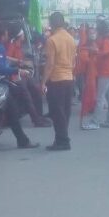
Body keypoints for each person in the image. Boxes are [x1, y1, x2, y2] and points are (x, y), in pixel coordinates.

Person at [0, 23, 40, 149]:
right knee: (13, 111)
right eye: (6, 34)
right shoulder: (0, 48)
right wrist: (18, 71)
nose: (7, 36)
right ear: (2, 36)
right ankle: (22, 141)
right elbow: (1, 68)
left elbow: (1, 60)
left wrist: (16, 62)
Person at [41, 12, 77, 151]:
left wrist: (43, 82)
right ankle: (61, 138)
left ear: (52, 23)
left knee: (57, 112)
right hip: (68, 78)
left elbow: (50, 64)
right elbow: (73, 61)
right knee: (65, 111)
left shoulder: (52, 40)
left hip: (56, 79)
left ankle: (63, 141)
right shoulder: (71, 38)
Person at [84, 19, 109, 130]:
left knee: (100, 97)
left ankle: (95, 122)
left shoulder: (107, 39)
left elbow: (106, 52)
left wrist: (95, 51)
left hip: (106, 71)